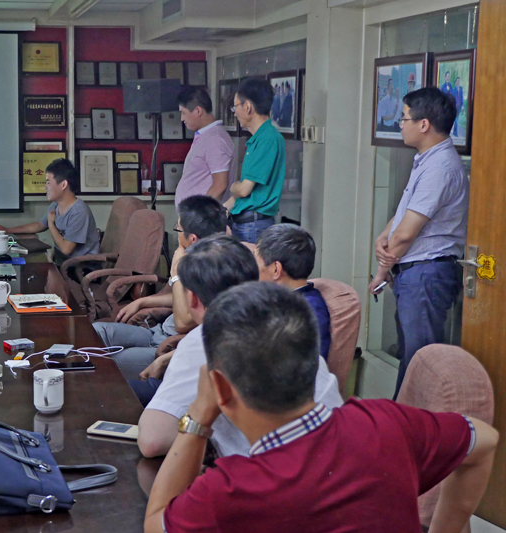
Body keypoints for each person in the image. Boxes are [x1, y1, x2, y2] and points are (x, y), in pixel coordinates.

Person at [144, 282, 498, 533]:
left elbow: (157, 523)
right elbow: (484, 440)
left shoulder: (232, 490)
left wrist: (199, 416)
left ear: (220, 388)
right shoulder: (386, 423)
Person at [137, 235, 343, 458]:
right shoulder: (285, 320)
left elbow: (152, 441)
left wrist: (199, 419)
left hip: (270, 466)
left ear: (193, 298)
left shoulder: (208, 336)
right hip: (334, 454)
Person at [369, 87, 468, 398]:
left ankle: (411, 425)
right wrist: (383, 237)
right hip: (415, 272)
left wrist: (382, 269)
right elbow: (404, 214)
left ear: (424, 124)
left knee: (420, 365)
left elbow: (406, 233)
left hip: (427, 274)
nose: (400, 124)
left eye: (404, 118)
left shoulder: (440, 167)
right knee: (410, 358)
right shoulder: (426, 159)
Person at [93, 195, 227, 384]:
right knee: (98, 331)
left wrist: (176, 274)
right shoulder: (196, 258)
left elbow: (183, 323)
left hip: (170, 345)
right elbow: (182, 299)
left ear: (193, 239)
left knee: (106, 361)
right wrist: (143, 302)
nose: (177, 233)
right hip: (157, 331)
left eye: (178, 229)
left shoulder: (219, 270)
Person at [0, 158, 99, 268]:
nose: (45, 187)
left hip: (81, 269)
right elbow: (40, 225)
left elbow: (66, 249)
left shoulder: (79, 211)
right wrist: (7, 230)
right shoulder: (55, 205)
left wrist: (51, 224)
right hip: (63, 264)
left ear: (63, 185)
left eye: (48, 182)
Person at [254, 224, 331, 360]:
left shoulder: (309, 311)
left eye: (255, 262)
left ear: (276, 269)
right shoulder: (281, 298)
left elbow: (309, 365)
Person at [224, 77, 286, 243]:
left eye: (235, 107)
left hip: (252, 226)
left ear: (247, 107)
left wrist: (233, 186)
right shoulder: (259, 138)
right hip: (246, 222)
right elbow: (243, 195)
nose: (234, 113)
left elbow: (244, 190)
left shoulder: (267, 139)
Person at [174, 87, 235, 208]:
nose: (182, 118)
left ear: (198, 111)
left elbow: (220, 185)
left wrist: (198, 215)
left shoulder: (215, 139)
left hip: (204, 217)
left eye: (183, 113)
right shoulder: (206, 136)